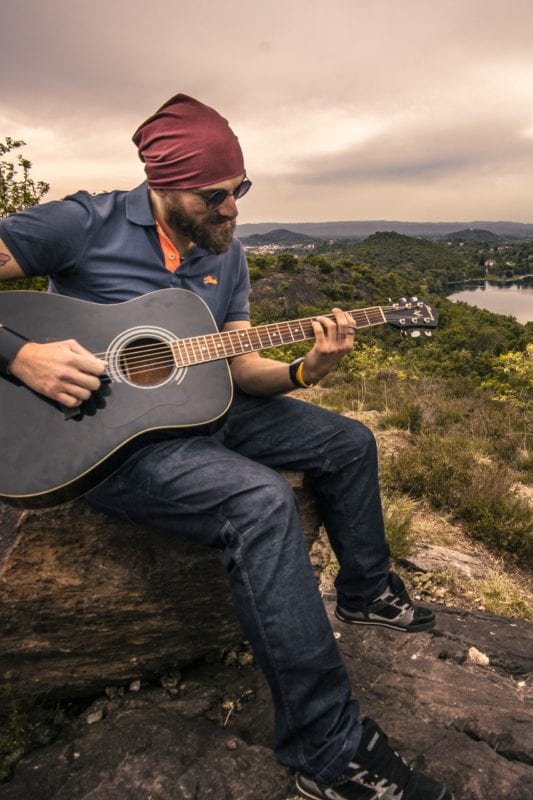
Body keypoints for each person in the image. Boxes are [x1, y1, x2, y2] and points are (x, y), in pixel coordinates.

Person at [0, 94, 453, 800]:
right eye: (215, 195)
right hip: (106, 440)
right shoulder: (79, 223)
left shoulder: (226, 255)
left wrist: (306, 370)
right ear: (163, 185)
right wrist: (20, 358)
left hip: (206, 409)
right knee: (260, 500)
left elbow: (239, 368)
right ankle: (327, 753)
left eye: (240, 189)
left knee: (350, 441)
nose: (232, 208)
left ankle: (365, 592)